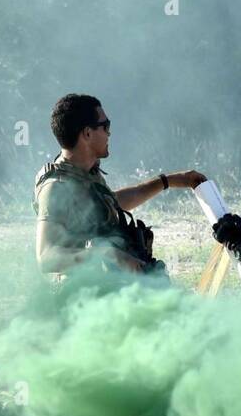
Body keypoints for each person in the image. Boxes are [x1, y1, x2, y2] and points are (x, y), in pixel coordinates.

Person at [34, 93, 205, 278]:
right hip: (85, 296)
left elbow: (108, 204)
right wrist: (107, 255)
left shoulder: (85, 172)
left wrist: (168, 181)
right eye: (105, 126)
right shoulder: (56, 188)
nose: (109, 133)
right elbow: (46, 257)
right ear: (87, 133)